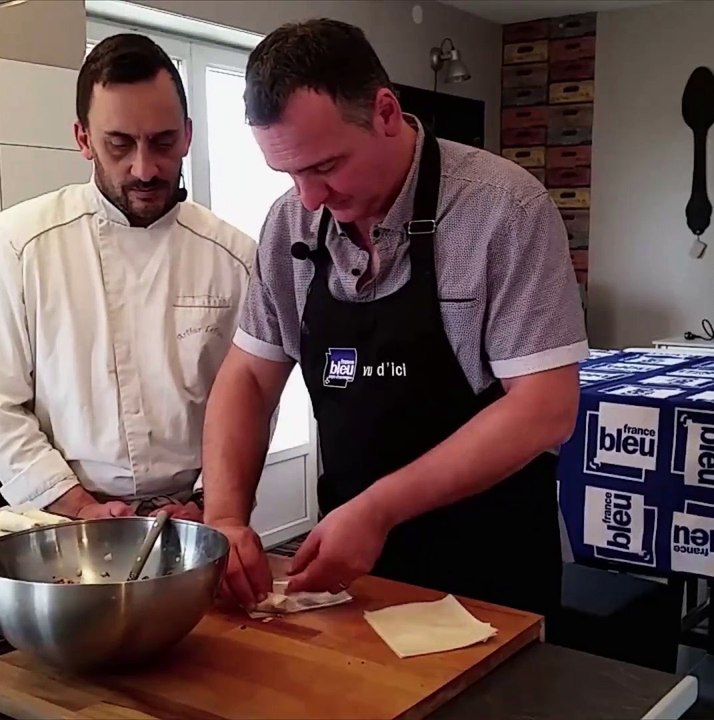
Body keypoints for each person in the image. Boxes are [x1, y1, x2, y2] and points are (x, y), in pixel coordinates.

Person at [201, 19, 587, 618]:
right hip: (348, 574)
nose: (308, 197)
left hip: (490, 570)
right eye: (289, 174)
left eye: (326, 166)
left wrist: (379, 508)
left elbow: (545, 406)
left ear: (384, 112)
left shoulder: (503, 209)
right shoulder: (289, 226)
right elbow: (249, 378)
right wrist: (224, 518)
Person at [0, 34, 255, 521]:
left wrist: (207, 502)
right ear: (83, 139)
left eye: (163, 143)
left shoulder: (235, 257)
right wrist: (74, 504)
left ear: (187, 135)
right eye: (120, 144)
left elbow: (251, 400)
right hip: (60, 518)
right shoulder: (17, 244)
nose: (144, 168)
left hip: (200, 518)